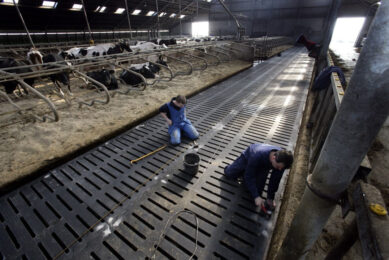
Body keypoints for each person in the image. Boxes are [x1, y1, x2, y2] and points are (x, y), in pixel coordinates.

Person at [224, 143, 293, 208]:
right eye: (278, 167)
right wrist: (256, 196)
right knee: (229, 174)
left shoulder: (282, 161)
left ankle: (248, 172)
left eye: (281, 168)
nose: (280, 169)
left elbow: (275, 180)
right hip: (248, 157)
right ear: (273, 158)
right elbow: (249, 176)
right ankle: (243, 170)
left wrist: (270, 198)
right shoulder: (256, 155)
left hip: (264, 165)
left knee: (257, 191)